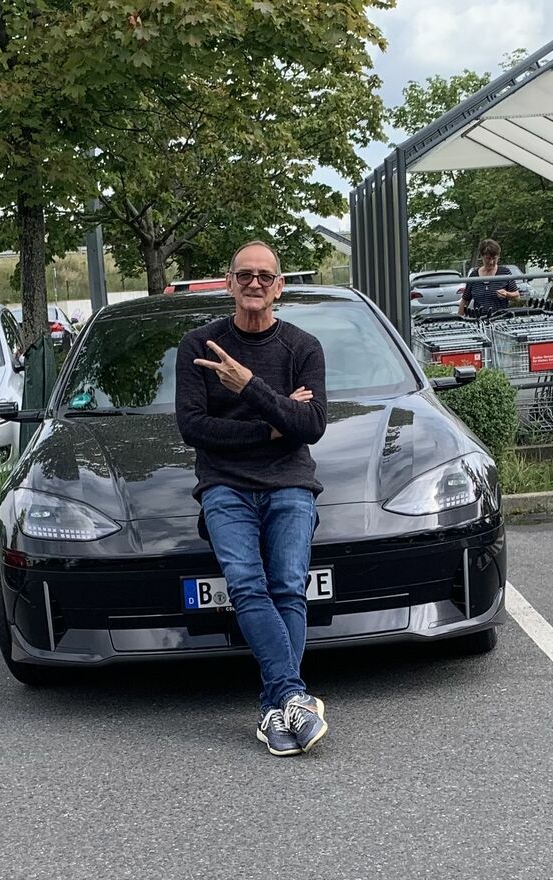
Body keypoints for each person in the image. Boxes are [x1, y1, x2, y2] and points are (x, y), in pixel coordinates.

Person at [175, 241, 328, 757]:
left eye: (265, 276)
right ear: (228, 282)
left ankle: (274, 707)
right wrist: (274, 422)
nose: (254, 283)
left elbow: (312, 425)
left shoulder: (303, 347)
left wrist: (247, 386)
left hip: (290, 482)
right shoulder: (199, 345)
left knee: (288, 587)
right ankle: (293, 697)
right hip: (225, 485)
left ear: (279, 286)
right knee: (246, 586)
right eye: (244, 275)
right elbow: (194, 428)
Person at [458, 239, 520, 315]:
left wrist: (507, 294)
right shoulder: (474, 276)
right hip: (479, 319)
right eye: (488, 258)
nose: (491, 262)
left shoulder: (505, 273)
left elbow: (517, 297)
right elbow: (465, 300)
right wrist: (459, 318)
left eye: (494, 258)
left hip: (500, 318)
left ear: (498, 257)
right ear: (481, 256)